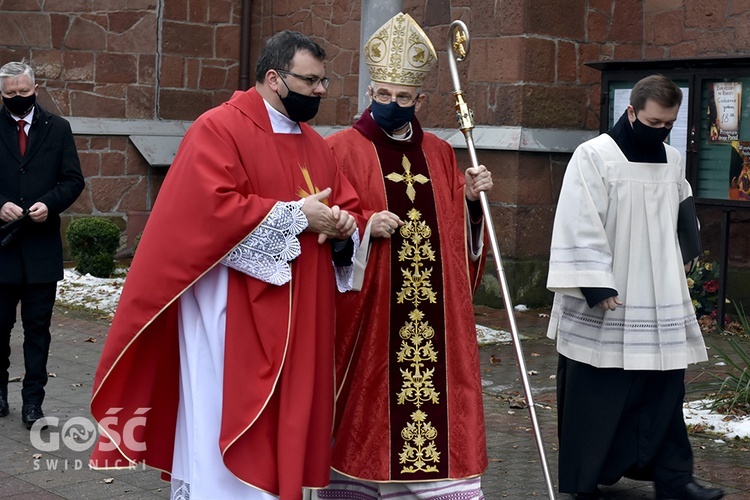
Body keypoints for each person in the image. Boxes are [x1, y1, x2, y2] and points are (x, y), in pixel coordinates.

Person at [89, 31, 362, 500]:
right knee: (222, 414)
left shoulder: (317, 146)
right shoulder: (219, 128)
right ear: (275, 78)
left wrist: (342, 227)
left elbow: (348, 207)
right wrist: (298, 215)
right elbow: (204, 212)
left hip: (300, 323)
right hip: (230, 314)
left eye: (324, 81)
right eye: (312, 80)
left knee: (289, 421)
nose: (321, 91)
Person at [317, 13, 492, 500]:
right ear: (370, 91)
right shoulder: (338, 150)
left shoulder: (438, 151)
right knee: (367, 420)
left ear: (421, 100)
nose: (391, 105)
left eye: (403, 98)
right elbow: (324, 223)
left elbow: (460, 246)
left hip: (438, 327)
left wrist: (474, 204)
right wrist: (365, 228)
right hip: (371, 319)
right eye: (382, 95)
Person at [546, 75, 724, 500]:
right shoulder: (594, 156)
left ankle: (675, 479)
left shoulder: (672, 158)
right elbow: (578, 219)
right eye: (653, 122)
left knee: (663, 389)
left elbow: (683, 212)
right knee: (598, 392)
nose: (660, 131)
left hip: (657, 294)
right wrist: (594, 282)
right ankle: (583, 482)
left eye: (669, 124)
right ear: (631, 111)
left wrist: (687, 257)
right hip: (610, 296)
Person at [0, 61, 84, 430]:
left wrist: (49, 204)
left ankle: (33, 403)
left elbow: (73, 180)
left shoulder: (58, 129)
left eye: (23, 93)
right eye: (9, 95)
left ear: (35, 89)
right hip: (2, 250)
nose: (17, 99)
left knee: (38, 332)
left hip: (40, 251)